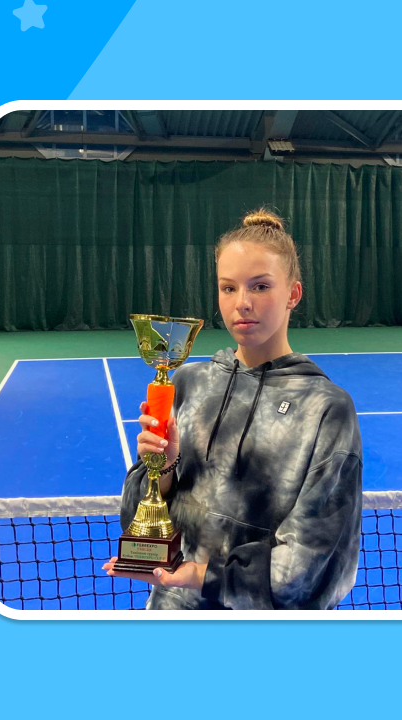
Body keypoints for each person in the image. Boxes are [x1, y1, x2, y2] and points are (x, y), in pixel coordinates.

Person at [103, 209, 363, 610]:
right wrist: (164, 469)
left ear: (293, 294)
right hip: (172, 613)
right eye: (228, 288)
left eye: (260, 286)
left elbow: (314, 561)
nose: (242, 303)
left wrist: (202, 576)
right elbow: (137, 519)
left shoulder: (327, 408)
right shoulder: (187, 382)